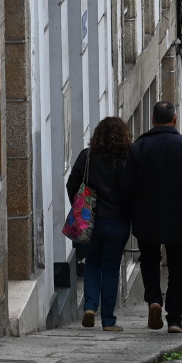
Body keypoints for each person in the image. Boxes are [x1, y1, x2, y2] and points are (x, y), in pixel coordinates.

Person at [123, 100, 182, 333]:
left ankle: (154, 299)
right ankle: (174, 318)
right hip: (180, 216)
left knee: (149, 259)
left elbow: (127, 185)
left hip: (147, 216)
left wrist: (127, 213)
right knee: (178, 266)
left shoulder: (138, 148)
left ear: (152, 120)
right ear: (175, 119)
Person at [67, 116, 133, 332]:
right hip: (118, 221)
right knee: (111, 268)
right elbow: (132, 190)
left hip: (91, 220)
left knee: (92, 264)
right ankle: (108, 320)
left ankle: (89, 307)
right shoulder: (127, 159)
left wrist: (80, 207)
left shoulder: (87, 157)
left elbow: (72, 183)